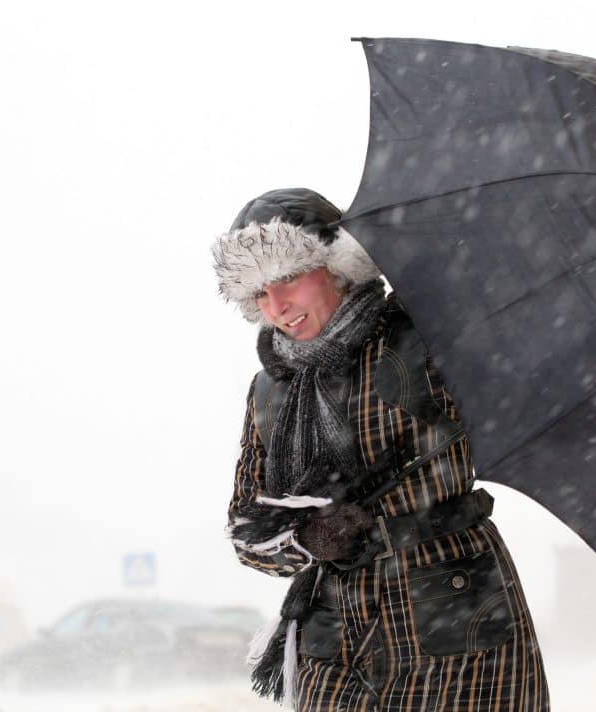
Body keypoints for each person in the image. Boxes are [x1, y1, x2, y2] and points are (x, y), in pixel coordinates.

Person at [214, 188, 550, 711]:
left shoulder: (423, 338)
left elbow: (525, 390)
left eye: (287, 279)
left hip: (454, 614)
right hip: (334, 634)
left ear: (335, 265)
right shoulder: (272, 391)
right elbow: (248, 534)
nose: (277, 307)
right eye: (259, 293)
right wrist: (312, 542)